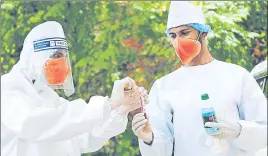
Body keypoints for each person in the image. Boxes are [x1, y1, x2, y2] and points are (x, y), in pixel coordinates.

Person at [131, 1, 267, 156]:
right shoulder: (163, 87)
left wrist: (238, 130)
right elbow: (161, 151)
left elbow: (264, 132)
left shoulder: (237, 76)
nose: (178, 42)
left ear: (203, 33)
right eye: (173, 35)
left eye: (184, 33)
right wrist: (149, 138)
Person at [1, 21, 148, 156]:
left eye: (64, 57)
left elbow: (81, 137)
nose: (62, 63)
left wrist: (121, 109)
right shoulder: (7, 90)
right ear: (34, 55)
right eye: (57, 55)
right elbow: (34, 124)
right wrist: (110, 104)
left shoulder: (50, 99)